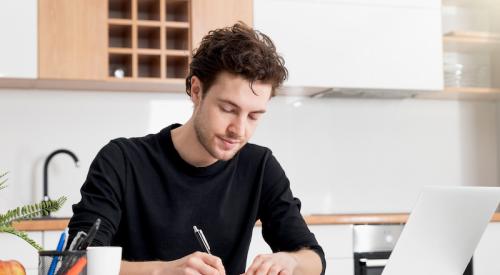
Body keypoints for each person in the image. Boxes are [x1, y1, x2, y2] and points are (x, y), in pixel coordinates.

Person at [67, 22, 325, 275]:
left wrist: (290, 262)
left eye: (254, 116)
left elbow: (313, 259)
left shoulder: (259, 166)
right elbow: (76, 264)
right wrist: (164, 271)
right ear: (196, 90)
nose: (240, 129)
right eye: (228, 109)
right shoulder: (121, 161)